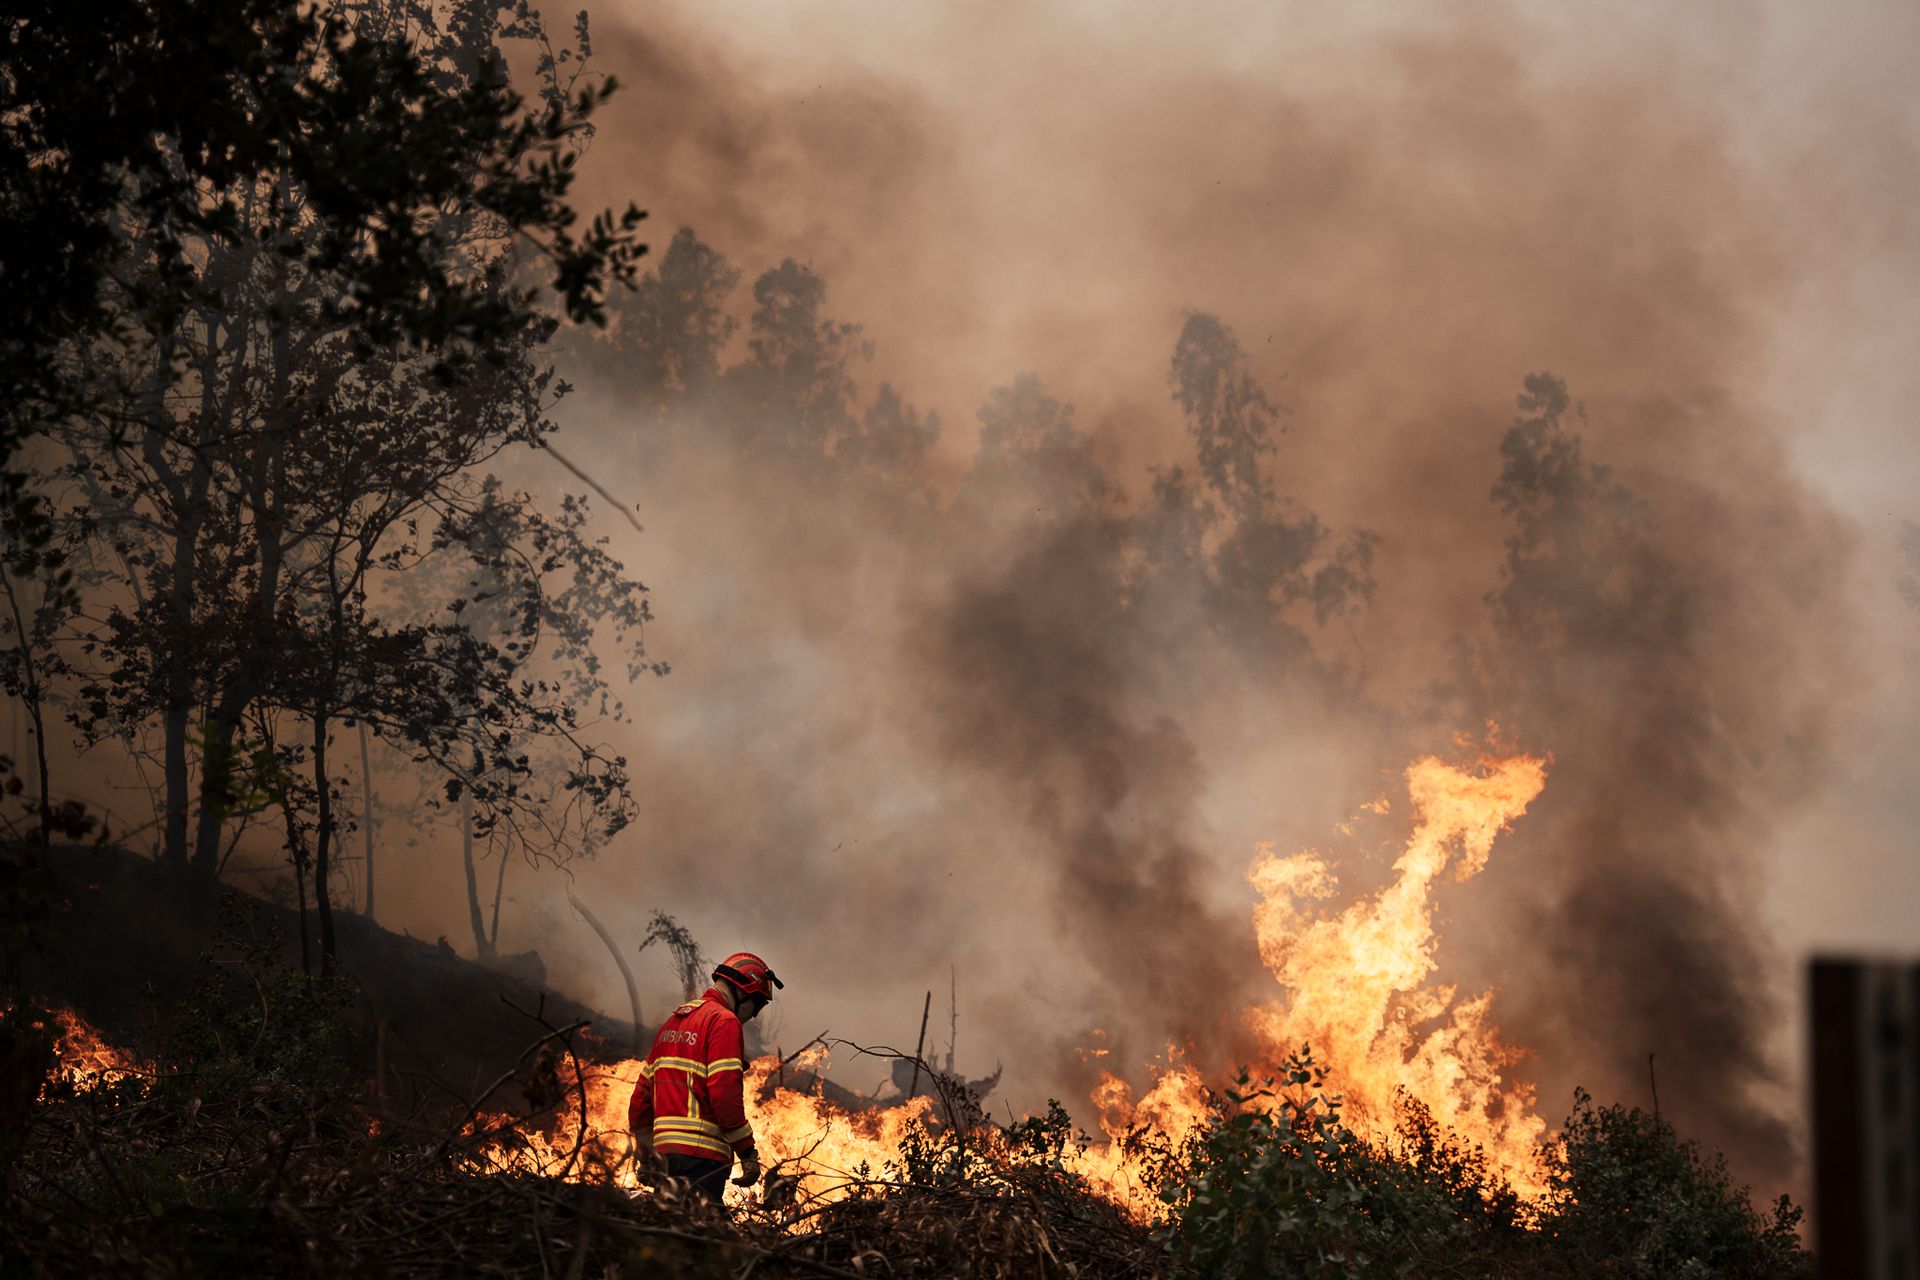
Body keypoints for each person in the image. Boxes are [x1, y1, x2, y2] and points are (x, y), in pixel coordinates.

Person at [629, 951, 783, 1201]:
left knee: (671, 1229)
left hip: (664, 1155)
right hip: (701, 1157)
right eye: (756, 1005)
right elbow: (724, 1093)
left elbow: (641, 1098)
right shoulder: (724, 1022)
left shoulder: (673, 1023)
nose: (752, 1016)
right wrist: (747, 1152)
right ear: (742, 991)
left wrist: (645, 1153)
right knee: (702, 1234)